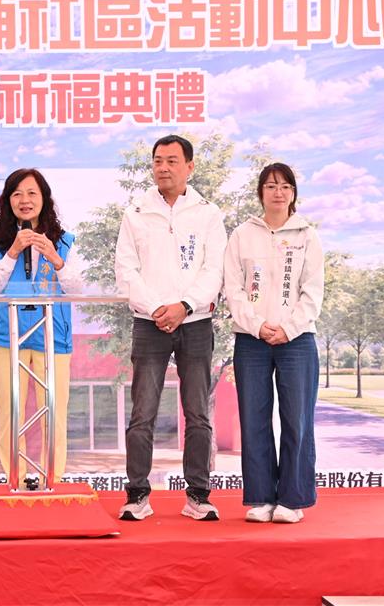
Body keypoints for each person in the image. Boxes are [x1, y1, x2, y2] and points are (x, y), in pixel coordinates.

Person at [114, 135, 227, 521]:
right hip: (149, 323)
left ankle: (198, 495)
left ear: (189, 167)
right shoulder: (136, 212)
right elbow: (125, 269)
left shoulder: (208, 214)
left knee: (197, 412)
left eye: (172, 161)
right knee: (142, 412)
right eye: (158, 160)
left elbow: (214, 269)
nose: (163, 167)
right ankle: (137, 495)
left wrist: (185, 306)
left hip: (195, 323)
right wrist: (156, 308)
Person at [224, 162, 324, 524]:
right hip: (252, 340)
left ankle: (292, 500)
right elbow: (233, 288)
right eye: (270, 186)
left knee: (297, 419)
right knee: (254, 418)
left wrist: (288, 328)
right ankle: (262, 497)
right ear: (260, 193)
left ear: (293, 193)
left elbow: (313, 291)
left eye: (285, 186)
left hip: (297, 340)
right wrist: (257, 326)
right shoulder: (242, 235)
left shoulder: (307, 236)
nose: (278, 192)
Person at [0, 168, 81, 486]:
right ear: (7, 200)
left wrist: (55, 257)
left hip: (53, 337)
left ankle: (51, 478)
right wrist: (13, 251)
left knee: (53, 412)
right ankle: (15, 477)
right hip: (7, 337)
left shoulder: (64, 240)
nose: (24, 200)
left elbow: (77, 289)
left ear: (44, 199)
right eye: (17, 194)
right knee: (10, 411)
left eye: (31, 193)